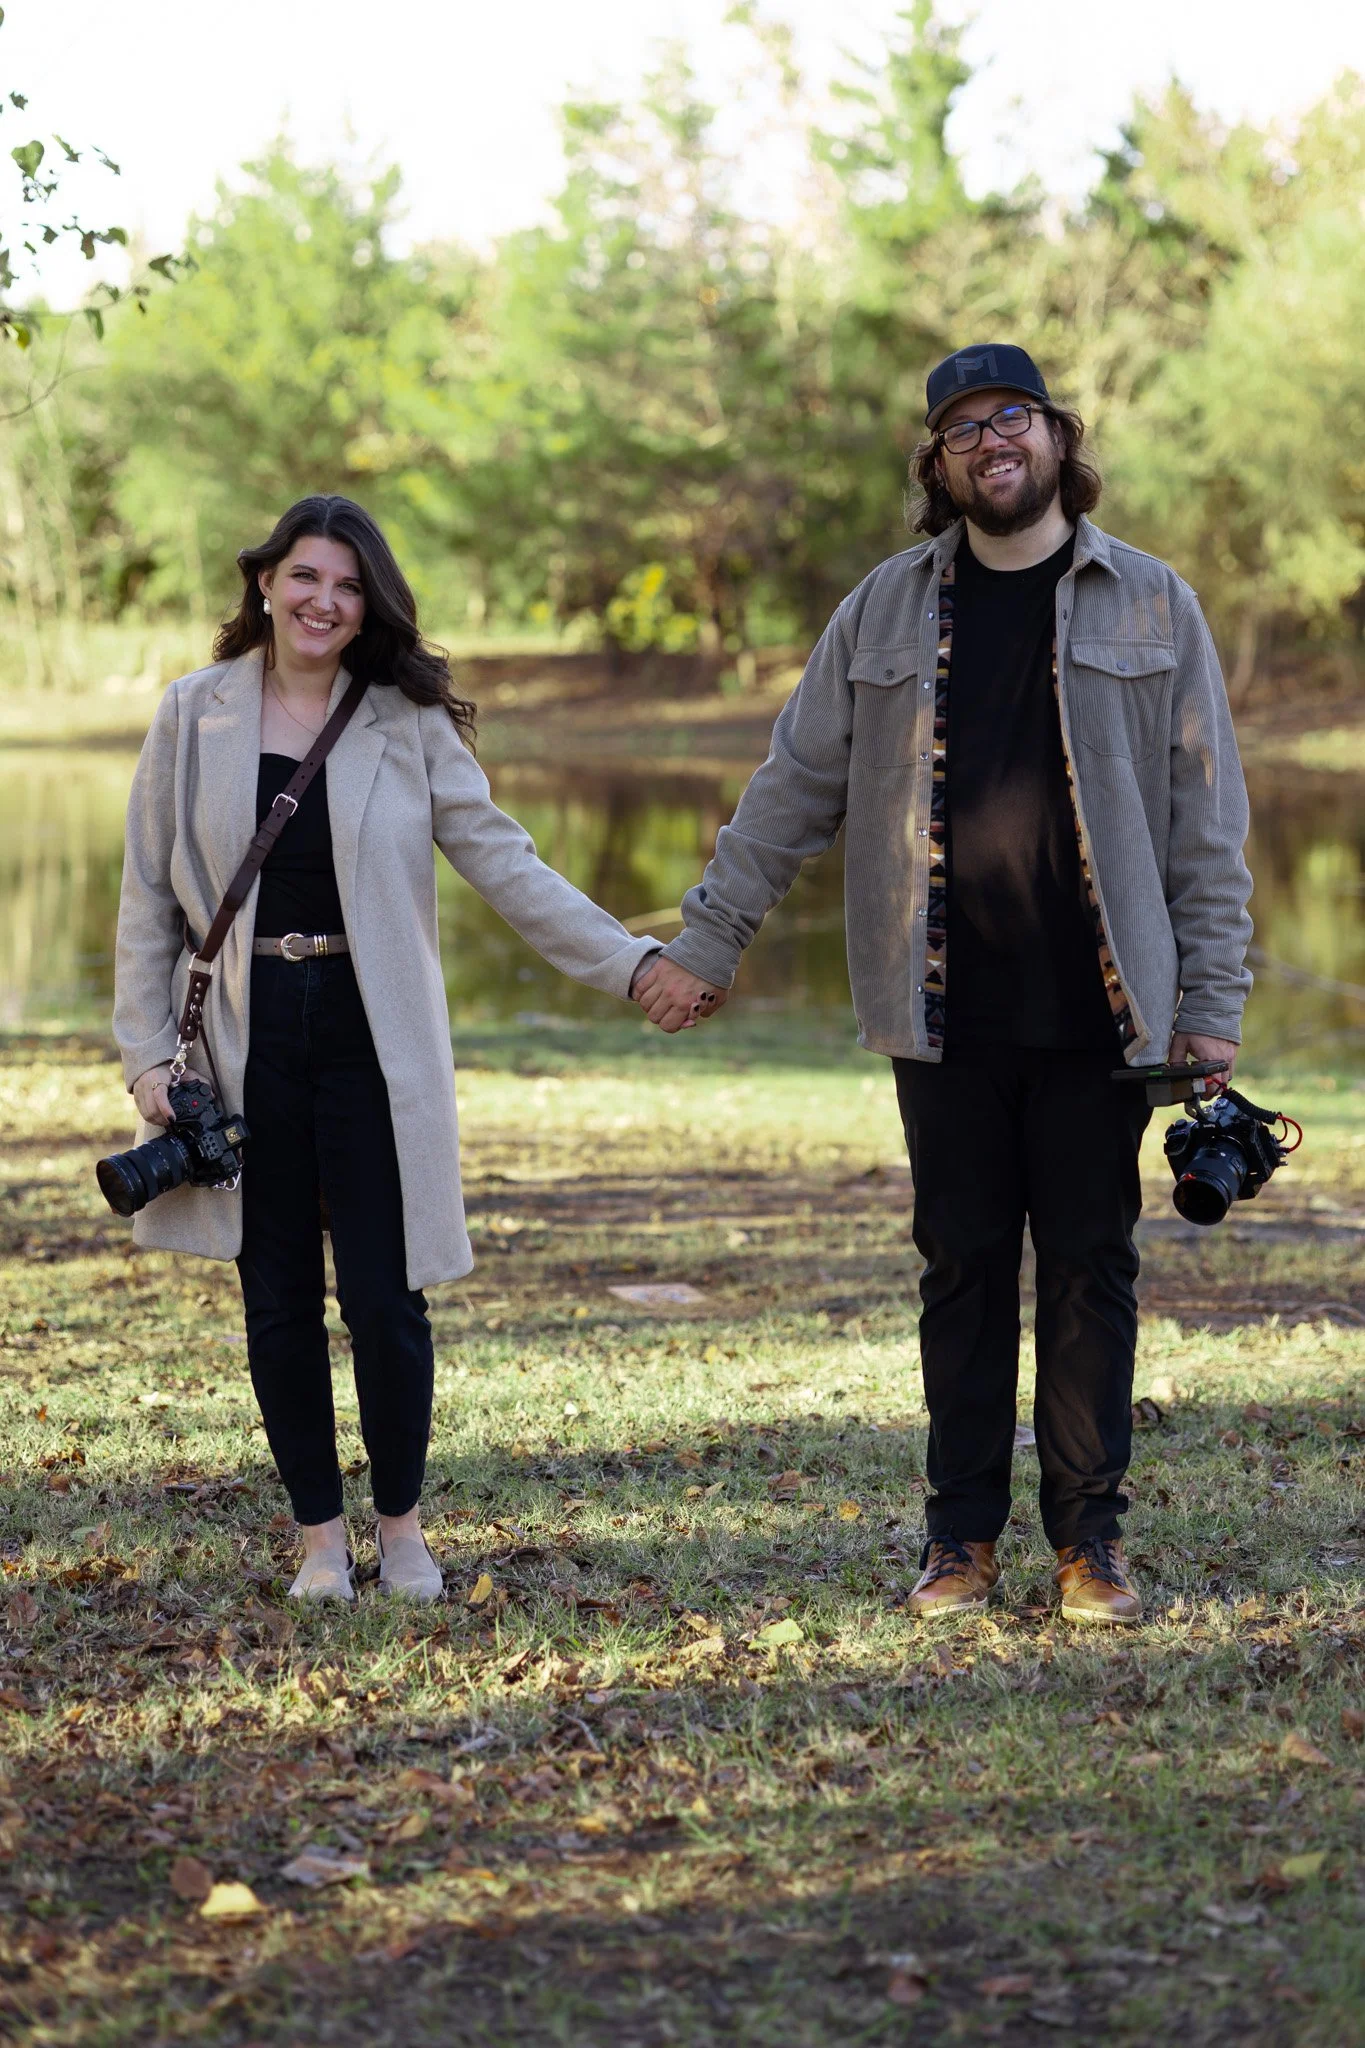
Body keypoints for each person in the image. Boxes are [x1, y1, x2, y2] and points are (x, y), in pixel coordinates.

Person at [633, 343, 1253, 1625]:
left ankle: (1091, 1544)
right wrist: (709, 937)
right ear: (939, 462)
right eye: (962, 428)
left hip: (1105, 1008)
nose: (991, 441)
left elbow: (1206, 821)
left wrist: (1213, 1000)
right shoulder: (885, 608)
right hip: (941, 1008)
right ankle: (958, 1539)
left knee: (1092, 1268)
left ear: (1055, 436)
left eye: (1010, 416)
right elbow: (792, 787)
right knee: (962, 1270)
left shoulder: (1154, 602)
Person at [114, 495, 662, 1604]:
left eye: (349, 584)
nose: (324, 600)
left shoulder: (404, 721)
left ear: (372, 606)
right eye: (306, 576)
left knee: (385, 1294)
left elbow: (507, 865)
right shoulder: (193, 712)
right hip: (238, 1036)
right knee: (274, 1296)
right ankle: (321, 1538)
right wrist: (143, 1058)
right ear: (265, 580)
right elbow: (145, 903)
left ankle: (402, 1529)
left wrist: (630, 961)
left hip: (369, 1034)